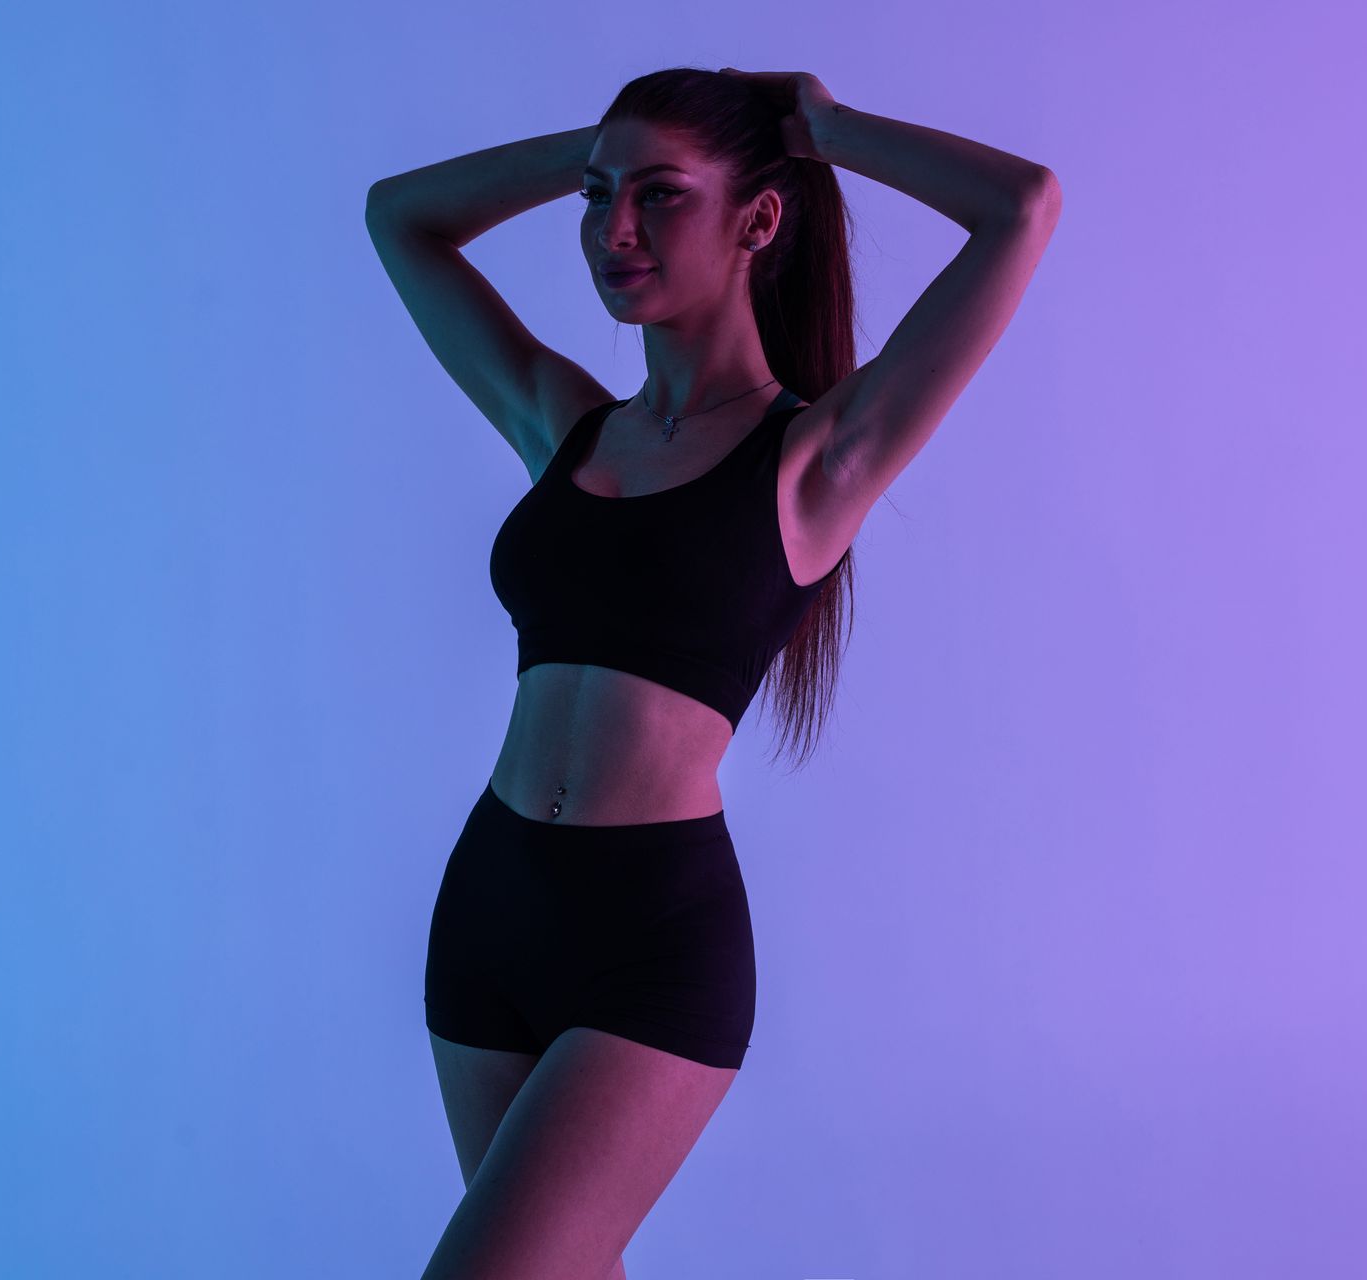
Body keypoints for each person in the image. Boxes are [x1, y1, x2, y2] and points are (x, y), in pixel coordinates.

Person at [366, 65, 1061, 1280]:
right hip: (487, 904)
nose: (612, 231)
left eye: (661, 197)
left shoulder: (816, 460)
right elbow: (399, 217)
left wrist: (825, 133)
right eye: (598, 198)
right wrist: (599, 150)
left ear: (760, 219)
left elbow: (1023, 206)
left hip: (652, 941)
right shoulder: (564, 424)